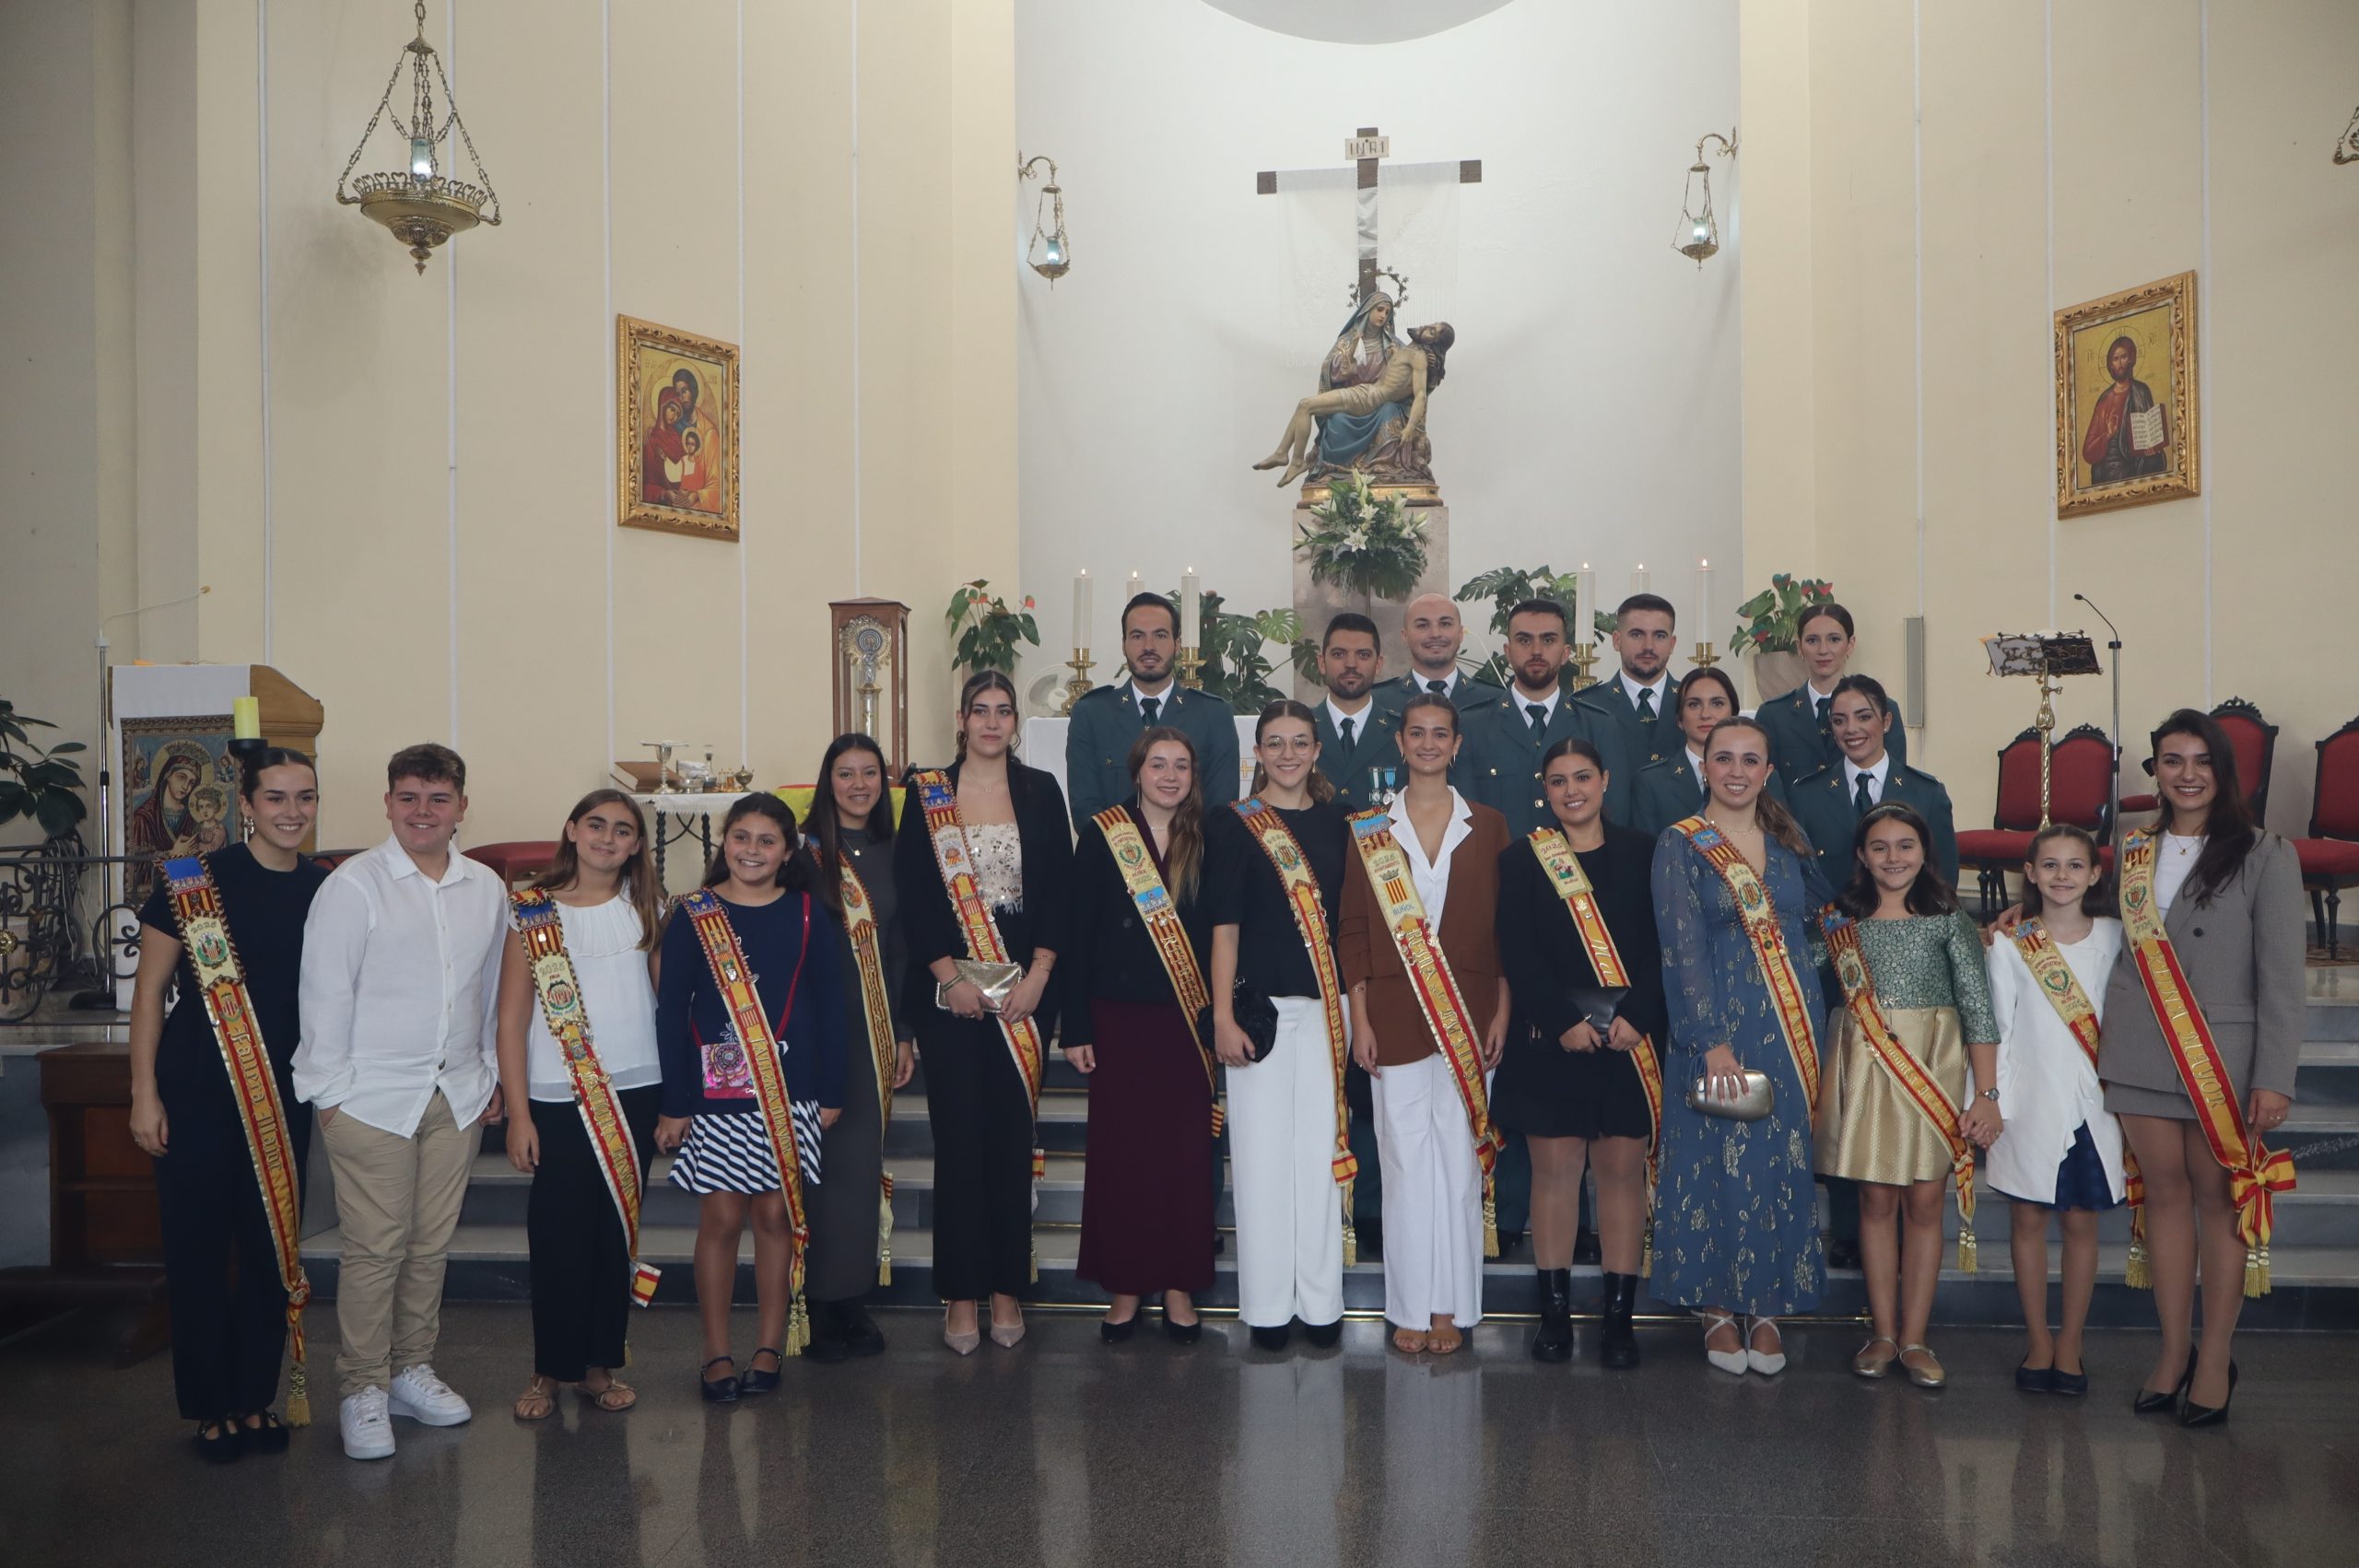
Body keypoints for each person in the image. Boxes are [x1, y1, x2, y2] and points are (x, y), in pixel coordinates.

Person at [293, 744, 507, 1460]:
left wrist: (488, 1072)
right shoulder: (353, 885)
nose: (423, 812)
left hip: (455, 1092)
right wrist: (330, 1093)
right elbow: (325, 991)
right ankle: (362, 1386)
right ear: (388, 803)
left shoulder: (485, 887)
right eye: (409, 797)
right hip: (372, 1098)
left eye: (438, 799)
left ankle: (411, 1370)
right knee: (376, 1249)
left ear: (461, 807)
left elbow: (487, 989)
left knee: (429, 1245)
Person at [2098, 709, 2303, 1425]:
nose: (2187, 775)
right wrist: (2020, 922)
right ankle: (2172, 1351)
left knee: (2218, 1202)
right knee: (2162, 1198)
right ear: (2155, 770)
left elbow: (2284, 977)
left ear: (2224, 770)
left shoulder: (2266, 853)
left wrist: (2274, 1074)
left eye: (2202, 760)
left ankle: (2215, 1356)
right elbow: (2096, 927)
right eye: (2172, 761)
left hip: (2222, 1057)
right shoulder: (2132, 849)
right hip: (2140, 1047)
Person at [126, 748, 328, 1461]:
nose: (292, 812)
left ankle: (252, 1398)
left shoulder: (327, 889)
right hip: (197, 1090)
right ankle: (209, 1406)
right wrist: (143, 1092)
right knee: (199, 1250)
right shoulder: (192, 881)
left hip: (282, 1096)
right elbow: (150, 992)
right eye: (276, 797)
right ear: (246, 804)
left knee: (273, 1254)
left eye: (305, 797)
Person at [1649, 716, 1833, 1377]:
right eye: (1723, 758)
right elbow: (1681, 948)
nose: (1736, 771)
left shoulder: (1787, 840)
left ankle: (1768, 1304)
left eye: (1750, 760)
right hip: (1715, 1028)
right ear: (1703, 765)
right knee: (1714, 1165)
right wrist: (1710, 1041)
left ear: (1767, 770)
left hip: (1789, 1026)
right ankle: (1717, 1307)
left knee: (1779, 1164)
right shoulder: (1681, 843)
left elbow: (1824, 919)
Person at [898, 670, 1074, 1353]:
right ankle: (962, 1295)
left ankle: (1006, 1289)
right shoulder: (928, 794)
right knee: (960, 1144)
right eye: (981, 711)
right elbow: (916, 893)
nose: (992, 722)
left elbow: (1059, 888)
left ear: (1014, 723)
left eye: (1003, 711)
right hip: (952, 996)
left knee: (1010, 1143)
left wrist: (1041, 975)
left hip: (1025, 993)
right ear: (962, 720)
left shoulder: (1041, 790)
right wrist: (949, 978)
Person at [655, 793, 847, 1401]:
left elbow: (834, 1005)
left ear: (787, 852)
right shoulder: (695, 914)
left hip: (792, 1091)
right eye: (741, 837)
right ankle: (715, 1351)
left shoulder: (810, 913)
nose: (752, 850)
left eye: (768, 840)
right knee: (721, 1218)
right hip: (716, 1093)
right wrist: (675, 1100)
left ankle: (768, 1345)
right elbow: (671, 1011)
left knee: (774, 1216)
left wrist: (833, 1089)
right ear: (725, 843)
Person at [1339, 694, 1513, 1354]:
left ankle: (1451, 1308)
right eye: (1418, 733)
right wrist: (1359, 1017)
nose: (1430, 743)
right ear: (1401, 743)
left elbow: (1506, 930)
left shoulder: (1489, 825)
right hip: (1392, 1015)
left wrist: (1503, 1009)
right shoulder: (1369, 829)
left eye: (1441, 733)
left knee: (1460, 1163)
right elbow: (1354, 928)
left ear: (1457, 745)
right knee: (1404, 1162)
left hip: (1471, 1014)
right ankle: (1410, 1307)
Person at [1493, 738, 1668, 1368]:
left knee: (1621, 1176)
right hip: (1552, 1042)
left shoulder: (1647, 853)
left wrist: (1639, 1018)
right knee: (1556, 1175)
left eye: (1583, 777)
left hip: (1628, 1041)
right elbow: (1517, 950)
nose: (1572, 791)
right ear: (1544, 790)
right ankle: (1555, 1317)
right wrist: (1561, 1020)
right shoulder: (1522, 859)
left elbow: (1664, 947)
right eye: (1559, 780)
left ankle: (1619, 1320)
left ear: (1606, 781)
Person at [1815, 803, 2001, 1388]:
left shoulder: (1947, 919)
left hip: (1932, 1066)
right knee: (1875, 1201)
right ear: (1861, 856)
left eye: (1905, 846)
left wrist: (1986, 1094)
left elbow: (1978, 1009)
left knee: (1924, 1203)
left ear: (1924, 853)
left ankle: (1916, 1337)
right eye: (1879, 847)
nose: (1893, 858)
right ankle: (1883, 1333)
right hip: (1865, 1066)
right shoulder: (1839, 922)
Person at [494, 790, 664, 1421]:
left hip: (637, 1088)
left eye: (622, 830)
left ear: (637, 844)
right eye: (596, 825)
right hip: (557, 1092)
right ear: (571, 829)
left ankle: (598, 1364)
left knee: (613, 1232)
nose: (607, 838)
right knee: (558, 1232)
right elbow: (511, 1021)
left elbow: (668, 1004)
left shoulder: (648, 907)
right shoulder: (532, 911)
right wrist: (518, 1113)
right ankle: (549, 1367)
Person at [1064, 728, 1218, 1343]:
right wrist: (1075, 1025)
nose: (1170, 775)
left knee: (1185, 1156)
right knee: (1122, 1155)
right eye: (1159, 764)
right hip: (1118, 1017)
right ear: (1137, 772)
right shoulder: (1104, 834)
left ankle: (1180, 1285)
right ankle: (1125, 1285)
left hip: (1186, 1019)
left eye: (1182, 765)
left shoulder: (1208, 837)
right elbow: (1078, 934)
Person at [1207, 701, 1353, 1351]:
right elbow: (1225, 927)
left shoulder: (1345, 822)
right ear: (1258, 753)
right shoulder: (1233, 822)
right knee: (1261, 1161)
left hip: (1328, 1009)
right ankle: (1267, 1308)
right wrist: (1221, 1015)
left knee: (1320, 1161)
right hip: (1258, 1012)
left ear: (1317, 750)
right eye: (1275, 743)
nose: (1287, 754)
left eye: (1299, 742)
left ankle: (1321, 1306)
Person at [1984, 825, 2126, 1397]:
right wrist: (1990, 1100)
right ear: (2031, 873)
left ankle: (2071, 1341)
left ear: (2094, 874)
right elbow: (1997, 1027)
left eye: (2074, 865)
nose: (2062, 876)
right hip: (2029, 1104)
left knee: (2081, 1223)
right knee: (2027, 1221)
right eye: (2050, 865)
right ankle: (2038, 1338)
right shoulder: (2010, 943)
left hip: (2095, 1105)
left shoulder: (2117, 936)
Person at [799, 732, 917, 1362]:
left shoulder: (896, 851)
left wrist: (902, 1032)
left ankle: (850, 1296)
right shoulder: (802, 854)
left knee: (859, 1168)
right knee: (818, 1170)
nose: (859, 785)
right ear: (829, 781)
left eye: (870, 773)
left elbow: (899, 949)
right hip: (815, 1030)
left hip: (873, 1028)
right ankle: (815, 1301)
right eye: (845, 774)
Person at [1065, 591, 1239, 829]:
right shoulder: (1092, 714)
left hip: (1193, 852)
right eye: (1137, 636)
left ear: (1177, 645)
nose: (1149, 647)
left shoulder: (1214, 716)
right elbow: (1085, 810)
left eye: (1160, 635)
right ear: (1124, 644)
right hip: (1112, 851)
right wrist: (1133, 851)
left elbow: (1220, 813)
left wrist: (1180, 849)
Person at [1462, 599, 1634, 834]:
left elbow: (1615, 815)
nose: (1536, 651)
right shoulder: (1472, 726)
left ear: (1565, 653)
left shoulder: (1599, 726)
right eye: (1524, 640)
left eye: (1548, 640)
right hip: (1499, 858)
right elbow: (1466, 820)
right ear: (1508, 652)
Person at [1788, 673, 1957, 887]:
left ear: (1886, 722)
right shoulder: (1807, 796)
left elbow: (1943, 880)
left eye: (1864, 717)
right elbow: (1801, 880)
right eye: (1839, 720)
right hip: (1833, 909)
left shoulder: (1927, 794)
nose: (1851, 729)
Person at [1754, 601, 1909, 788]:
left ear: (1850, 645)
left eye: (1834, 639)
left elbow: (1895, 783)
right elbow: (1767, 787)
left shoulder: (1882, 708)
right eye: (1812, 640)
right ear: (1800, 647)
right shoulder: (1773, 715)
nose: (1823, 650)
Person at [1631, 667, 1789, 837]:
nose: (1705, 714)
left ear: (1734, 714)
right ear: (1679, 719)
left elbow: (1782, 840)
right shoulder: (1652, 782)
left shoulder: (1764, 776)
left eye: (1717, 703)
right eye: (1694, 704)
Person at [1571, 593, 1682, 769]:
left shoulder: (1693, 702)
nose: (1648, 646)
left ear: (1672, 644)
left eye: (1659, 636)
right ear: (1617, 640)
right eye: (1637, 635)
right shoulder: (1586, 707)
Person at [1311, 613, 1402, 813]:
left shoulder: (1404, 733)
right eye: (1339, 654)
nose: (1351, 664)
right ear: (1322, 663)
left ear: (1378, 664)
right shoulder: (1298, 731)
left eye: (1363, 655)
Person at [1373, 593, 1491, 715]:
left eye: (1445, 624)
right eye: (1423, 625)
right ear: (1405, 636)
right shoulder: (1376, 702)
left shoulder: (1493, 699)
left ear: (1460, 634)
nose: (1435, 634)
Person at [2082, 333, 2168, 484]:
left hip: (2135, 463)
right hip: (2109, 470)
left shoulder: (2141, 391)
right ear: (2110, 364)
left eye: (2124, 357)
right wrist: (2107, 435)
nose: (2120, 363)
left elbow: (2151, 431)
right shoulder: (2104, 400)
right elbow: (2088, 451)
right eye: (2115, 359)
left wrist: (2152, 446)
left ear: (2131, 359)